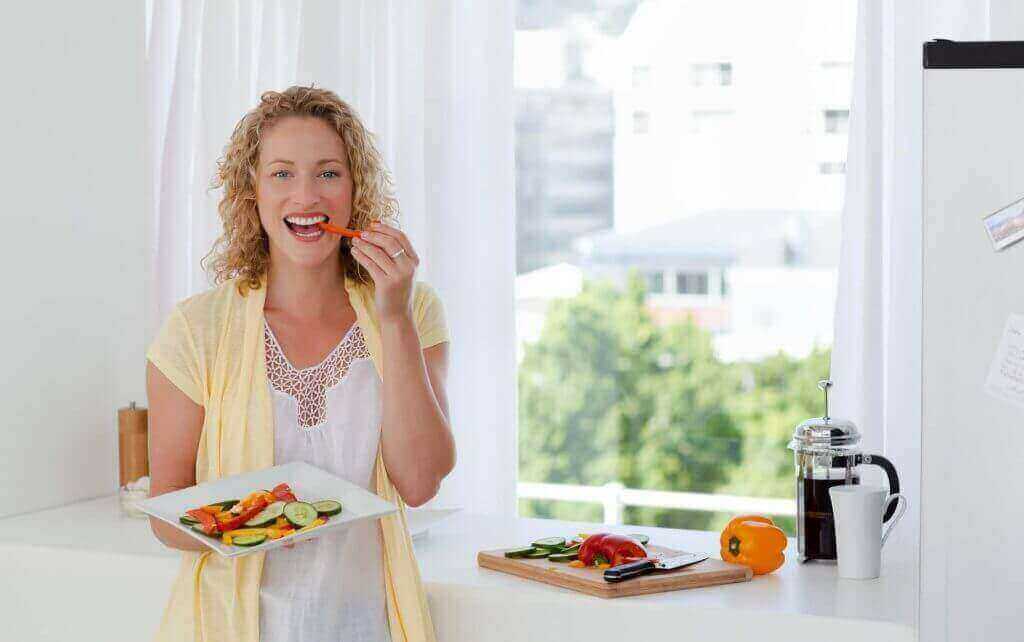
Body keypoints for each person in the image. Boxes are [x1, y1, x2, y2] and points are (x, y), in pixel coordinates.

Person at [145, 85, 453, 642]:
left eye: (329, 173)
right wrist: (256, 523)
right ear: (251, 193)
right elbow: (167, 510)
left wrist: (394, 318)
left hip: (370, 625)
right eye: (282, 174)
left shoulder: (414, 308)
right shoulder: (195, 330)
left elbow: (420, 479)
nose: (306, 195)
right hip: (229, 627)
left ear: (356, 190)